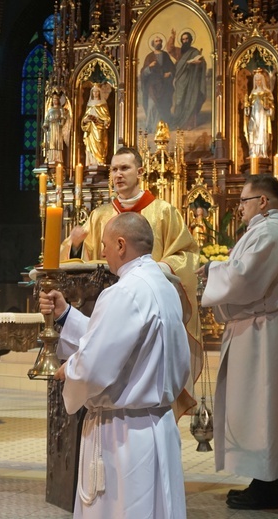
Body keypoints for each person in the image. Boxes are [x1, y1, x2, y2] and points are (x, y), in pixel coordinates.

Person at [40, 212, 190, 519]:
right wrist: (66, 314)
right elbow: (117, 343)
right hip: (156, 425)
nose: (103, 253)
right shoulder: (164, 287)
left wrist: (70, 370)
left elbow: (94, 365)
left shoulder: (122, 292)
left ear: (121, 245)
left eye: (106, 245)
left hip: (122, 436)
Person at [60, 146, 202, 420]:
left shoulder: (163, 212)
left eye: (124, 168)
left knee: (142, 379)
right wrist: (75, 246)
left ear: (140, 172)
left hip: (147, 310)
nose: (117, 175)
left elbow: (187, 254)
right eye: (113, 169)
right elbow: (83, 261)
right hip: (108, 310)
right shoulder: (100, 215)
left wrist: (160, 267)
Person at [198, 175, 278, 510]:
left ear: (263, 201)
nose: (240, 208)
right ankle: (264, 482)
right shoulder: (266, 230)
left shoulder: (271, 232)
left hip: (268, 333)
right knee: (262, 408)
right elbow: (241, 270)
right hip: (261, 328)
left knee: (267, 408)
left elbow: (245, 277)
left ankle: (270, 489)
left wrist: (212, 271)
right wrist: (218, 268)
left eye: (244, 201)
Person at [167, 29, 206, 130]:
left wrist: (198, 63)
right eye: (183, 39)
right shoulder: (180, 51)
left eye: (187, 39)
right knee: (179, 101)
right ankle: (178, 122)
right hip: (180, 80)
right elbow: (170, 49)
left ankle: (189, 124)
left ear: (190, 40)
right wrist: (172, 37)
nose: (185, 41)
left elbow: (202, 62)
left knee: (190, 99)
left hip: (191, 81)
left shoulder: (195, 51)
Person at [140, 34, 175, 131]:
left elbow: (172, 68)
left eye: (160, 41)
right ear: (153, 44)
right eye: (156, 41)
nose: (158, 42)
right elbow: (143, 73)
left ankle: (163, 128)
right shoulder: (149, 57)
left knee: (164, 105)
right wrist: (149, 66)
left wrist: (170, 73)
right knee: (152, 106)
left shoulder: (165, 55)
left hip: (164, 86)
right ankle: (150, 127)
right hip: (152, 86)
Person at [244, 69, 274, 158]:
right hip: (254, 116)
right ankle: (253, 152)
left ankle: (263, 152)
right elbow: (248, 111)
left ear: (263, 80)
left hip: (263, 116)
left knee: (262, 131)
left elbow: (272, 109)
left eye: (259, 80)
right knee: (252, 131)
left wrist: (268, 108)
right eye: (256, 80)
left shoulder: (267, 93)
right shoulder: (252, 93)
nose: (258, 82)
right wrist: (246, 108)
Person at [81, 83, 111, 167]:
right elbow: (84, 118)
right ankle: (91, 161)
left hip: (99, 128)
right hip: (90, 129)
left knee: (99, 142)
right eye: (94, 92)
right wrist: (85, 120)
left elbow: (107, 117)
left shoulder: (102, 105)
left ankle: (100, 161)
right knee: (90, 145)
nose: (95, 93)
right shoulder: (89, 105)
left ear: (99, 93)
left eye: (97, 92)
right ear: (92, 93)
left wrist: (104, 121)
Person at [42, 91, 71, 165]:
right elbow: (47, 119)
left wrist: (61, 123)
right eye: (53, 99)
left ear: (58, 100)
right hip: (51, 128)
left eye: (56, 99)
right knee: (51, 143)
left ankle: (58, 158)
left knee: (57, 142)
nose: (55, 101)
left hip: (58, 128)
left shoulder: (60, 109)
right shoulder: (50, 109)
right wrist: (45, 125)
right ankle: (51, 158)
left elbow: (63, 117)